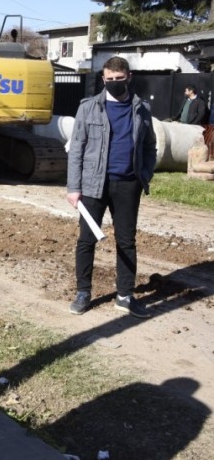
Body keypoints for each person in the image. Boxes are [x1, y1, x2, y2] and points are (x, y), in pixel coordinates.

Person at [66, 56, 156, 318]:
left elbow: (150, 146)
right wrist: (74, 188)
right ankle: (83, 292)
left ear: (128, 77)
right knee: (86, 240)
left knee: (127, 241)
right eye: (110, 79)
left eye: (119, 79)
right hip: (92, 185)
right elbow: (77, 149)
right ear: (103, 79)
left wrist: (144, 175)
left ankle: (125, 295)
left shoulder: (142, 109)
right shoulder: (89, 107)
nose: (114, 83)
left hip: (128, 184)